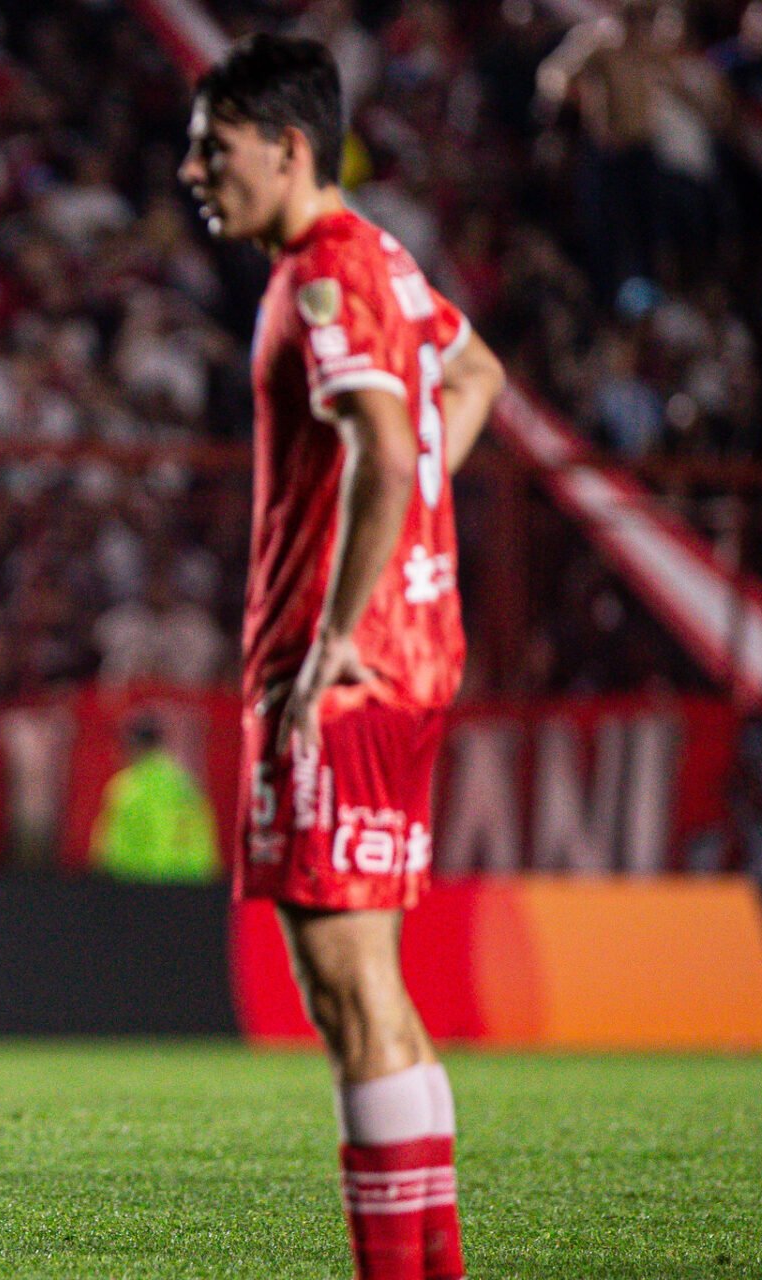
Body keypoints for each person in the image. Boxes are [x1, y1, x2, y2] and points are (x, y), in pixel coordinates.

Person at [179, 35, 504, 1280]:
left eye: (214, 147)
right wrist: (420, 509)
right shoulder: (387, 257)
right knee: (371, 989)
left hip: (345, 673)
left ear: (288, 146)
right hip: (408, 653)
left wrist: (329, 641)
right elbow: (472, 373)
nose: (194, 169)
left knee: (348, 992)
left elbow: (378, 434)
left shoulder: (323, 274)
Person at [89, 716, 219, 884]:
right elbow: (205, 837)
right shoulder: (185, 783)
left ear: (133, 745)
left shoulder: (128, 786)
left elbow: (111, 847)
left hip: (141, 886)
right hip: (192, 885)